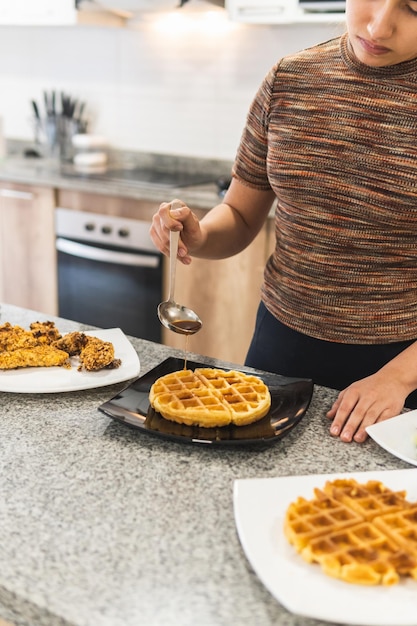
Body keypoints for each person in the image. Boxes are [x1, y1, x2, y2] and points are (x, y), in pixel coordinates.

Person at [150, 0, 417, 444]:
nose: (378, 25)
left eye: (413, 9)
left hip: (399, 366)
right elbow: (238, 215)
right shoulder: (291, 78)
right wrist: (198, 234)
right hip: (280, 344)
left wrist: (398, 379)